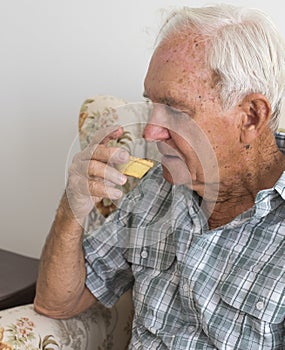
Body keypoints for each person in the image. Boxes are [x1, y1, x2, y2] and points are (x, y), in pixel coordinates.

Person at [34, 4, 285, 349]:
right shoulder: (156, 188)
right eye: (151, 104)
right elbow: (56, 303)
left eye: (175, 109)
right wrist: (72, 207)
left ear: (251, 117)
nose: (151, 132)